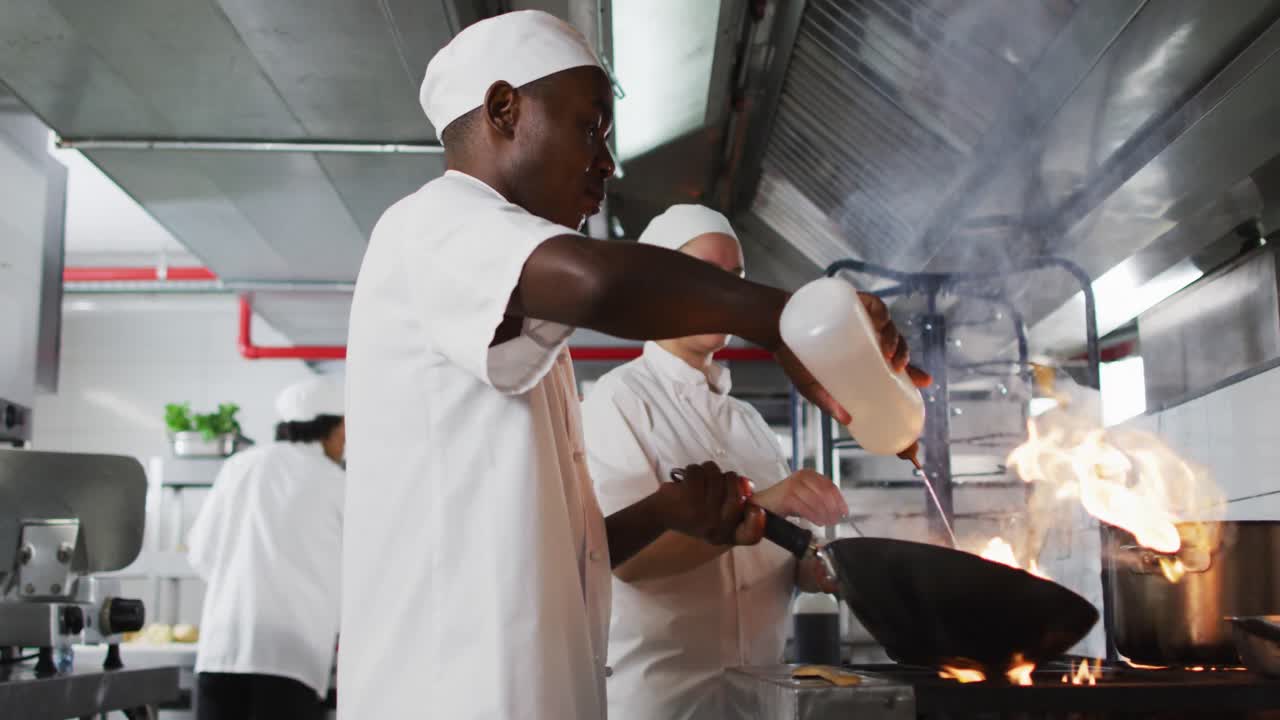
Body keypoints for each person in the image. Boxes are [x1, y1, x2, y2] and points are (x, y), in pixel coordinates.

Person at [340, 11, 926, 720]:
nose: (607, 163)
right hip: (454, 694)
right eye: (591, 128)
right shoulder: (432, 222)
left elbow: (576, 554)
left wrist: (679, 516)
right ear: (503, 109)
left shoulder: (508, 300)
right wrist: (788, 320)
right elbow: (599, 283)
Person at [581, 205, 849, 720]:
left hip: (760, 700)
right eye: (703, 277)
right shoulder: (618, 402)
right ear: (659, 286)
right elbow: (628, 562)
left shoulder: (747, 423)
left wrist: (809, 570)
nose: (724, 297)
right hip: (665, 703)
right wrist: (766, 502)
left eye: (735, 281)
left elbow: (762, 559)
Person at [187, 375, 346, 720]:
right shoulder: (335, 481)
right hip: (292, 659)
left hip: (221, 650)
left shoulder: (238, 467)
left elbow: (200, 553)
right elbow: (359, 571)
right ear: (332, 429)